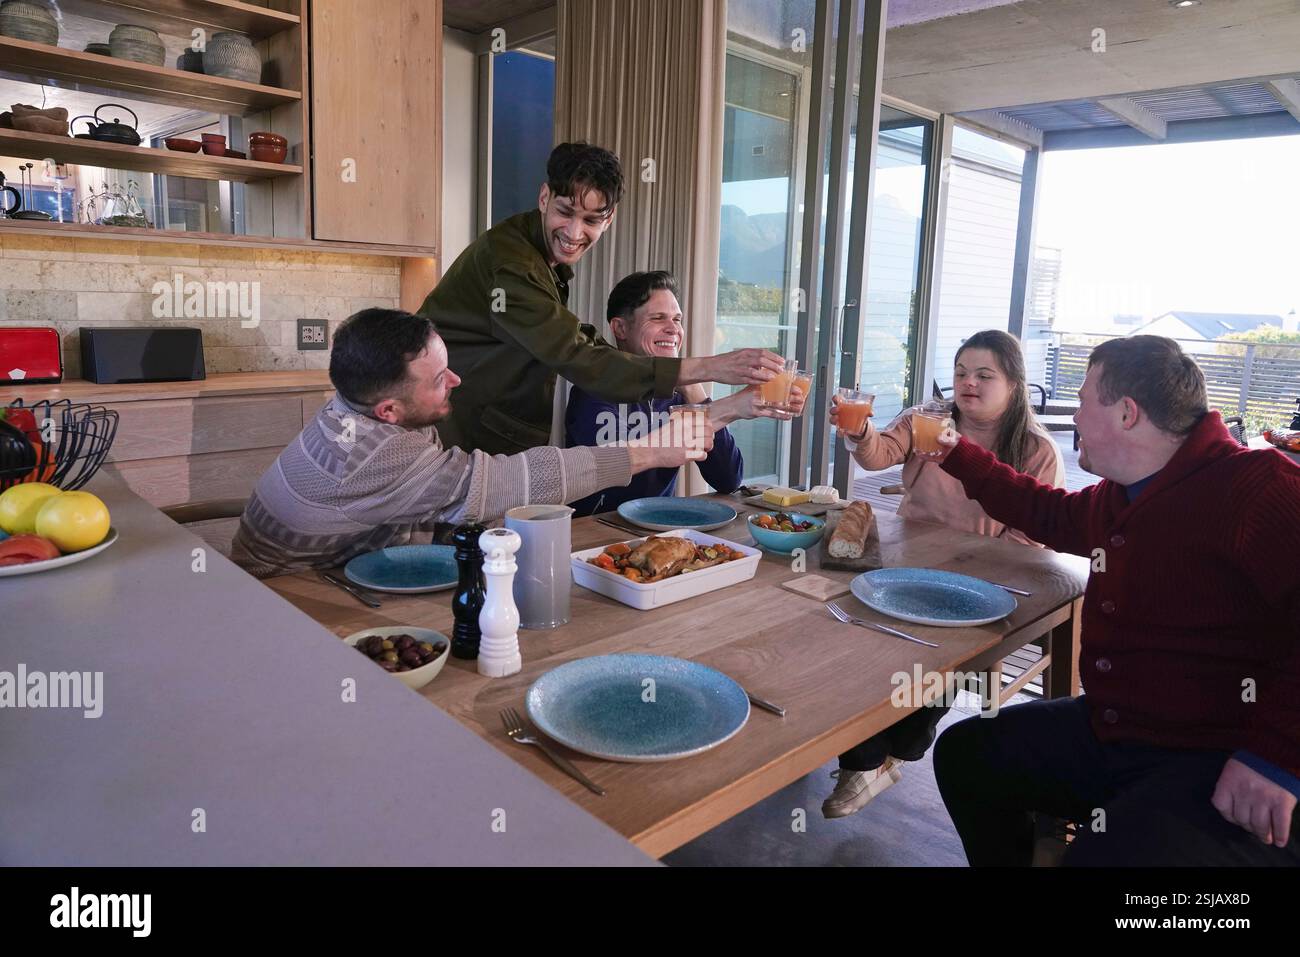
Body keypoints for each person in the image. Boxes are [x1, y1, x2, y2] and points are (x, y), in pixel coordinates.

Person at [928, 335, 1300, 866]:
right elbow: (1051, 515)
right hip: (1118, 729)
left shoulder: (1258, 488)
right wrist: (958, 455)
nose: (1074, 415)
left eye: (1082, 401)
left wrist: (1277, 756)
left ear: (1127, 414)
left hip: (1222, 754)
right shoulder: (1123, 491)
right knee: (969, 756)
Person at [230, 308, 711, 579]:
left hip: (346, 566)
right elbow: (508, 481)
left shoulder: (357, 404)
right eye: (439, 379)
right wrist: (651, 450)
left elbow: (454, 498)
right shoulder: (373, 453)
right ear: (388, 411)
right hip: (290, 597)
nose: (456, 380)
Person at [821, 329, 1065, 820]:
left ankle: (892, 751)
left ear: (1014, 384)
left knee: (952, 647)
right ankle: (867, 759)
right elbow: (880, 455)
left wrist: (966, 570)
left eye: (983, 375)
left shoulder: (1035, 449)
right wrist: (859, 431)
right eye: (960, 373)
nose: (967, 383)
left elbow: (1030, 539)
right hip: (904, 559)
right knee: (847, 625)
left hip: (980, 579)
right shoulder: (925, 420)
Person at [418, 141, 785, 455]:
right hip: (454, 432)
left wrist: (725, 397)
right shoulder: (513, 265)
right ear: (544, 197)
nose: (575, 232)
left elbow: (724, 471)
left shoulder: (538, 256)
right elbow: (577, 355)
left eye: (592, 220)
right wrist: (713, 369)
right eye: (565, 212)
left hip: (478, 435)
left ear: (609, 220)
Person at [565, 270, 806, 516]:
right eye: (658, 318)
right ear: (621, 328)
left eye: (677, 319)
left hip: (659, 530)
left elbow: (727, 479)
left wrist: (694, 390)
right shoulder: (593, 390)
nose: (673, 329)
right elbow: (620, 467)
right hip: (596, 532)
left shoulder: (680, 396)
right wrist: (730, 407)